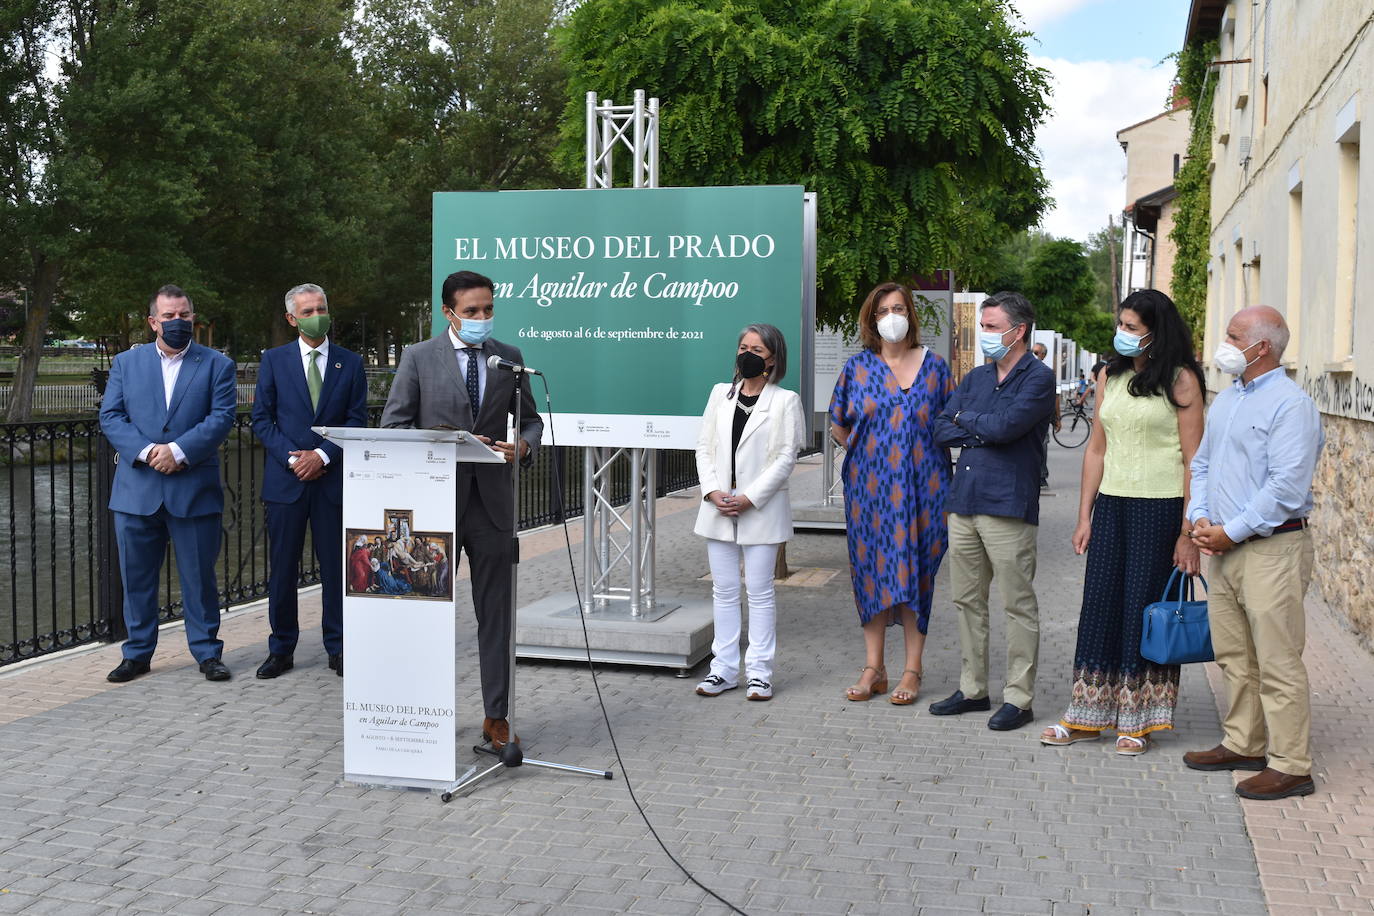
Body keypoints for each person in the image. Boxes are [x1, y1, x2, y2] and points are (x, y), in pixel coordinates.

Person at [381, 269, 542, 751]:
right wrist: (445, 443)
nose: (481, 319)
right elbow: (394, 426)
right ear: (449, 312)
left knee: (496, 615)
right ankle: (421, 712)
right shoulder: (418, 358)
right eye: (471, 311)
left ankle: (497, 718)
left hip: (493, 506)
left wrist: (523, 448)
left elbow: (530, 422)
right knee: (425, 612)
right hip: (433, 507)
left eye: (488, 309)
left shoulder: (509, 358)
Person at [1039, 290, 1204, 755]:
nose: (1123, 333)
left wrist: (1187, 532)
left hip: (1161, 507)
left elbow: (1195, 461)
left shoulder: (1181, 380)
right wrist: (1083, 515)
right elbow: (1096, 448)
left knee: (1142, 609)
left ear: (1157, 331)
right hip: (1111, 505)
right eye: (1122, 324)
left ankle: (1139, 719)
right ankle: (1086, 713)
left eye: (1132, 326)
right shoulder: (1108, 374)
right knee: (1100, 605)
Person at [1183, 306, 1324, 800]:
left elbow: (1287, 487)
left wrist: (1232, 531)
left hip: (1271, 548)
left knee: (1278, 657)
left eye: (1233, 335)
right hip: (1223, 544)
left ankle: (1291, 764)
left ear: (1261, 347)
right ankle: (1244, 741)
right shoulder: (1228, 400)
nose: (1225, 342)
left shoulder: (1291, 406)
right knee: (1235, 654)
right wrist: (1201, 517)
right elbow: (1200, 465)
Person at [928, 291, 1056, 730]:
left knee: (1017, 603)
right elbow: (940, 426)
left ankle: (1019, 699)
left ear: (1017, 331)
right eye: (982, 325)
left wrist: (968, 421)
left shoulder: (1039, 377)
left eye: (990, 326)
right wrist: (972, 421)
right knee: (966, 600)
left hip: (1008, 505)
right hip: (964, 501)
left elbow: (1006, 428)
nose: (983, 333)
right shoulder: (977, 378)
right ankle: (973, 689)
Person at [99, 285, 237, 683]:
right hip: (137, 490)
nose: (178, 322)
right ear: (153, 321)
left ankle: (208, 653)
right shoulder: (126, 363)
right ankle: (137, 654)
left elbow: (221, 417)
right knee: (137, 579)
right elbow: (111, 416)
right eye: (170, 316)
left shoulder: (216, 364)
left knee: (199, 578)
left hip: (192, 488)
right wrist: (146, 451)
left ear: (193, 317)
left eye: (185, 315)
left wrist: (177, 450)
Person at [829, 283, 954, 706]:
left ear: (911, 315)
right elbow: (839, 425)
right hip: (870, 494)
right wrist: (873, 457)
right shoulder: (856, 369)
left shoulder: (936, 368)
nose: (892, 315)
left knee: (917, 573)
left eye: (899, 307)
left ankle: (912, 670)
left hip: (926, 492)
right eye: (883, 309)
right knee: (871, 573)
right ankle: (874, 667)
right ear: (872, 319)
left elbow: (950, 424)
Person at [251, 284, 368, 680]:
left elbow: (356, 420)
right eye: (307, 310)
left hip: (332, 480)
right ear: (291, 318)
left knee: (337, 567)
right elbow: (262, 420)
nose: (316, 315)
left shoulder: (350, 363)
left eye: (321, 308)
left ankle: (338, 647)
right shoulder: (274, 360)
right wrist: (294, 459)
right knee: (283, 569)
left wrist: (321, 455)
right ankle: (281, 649)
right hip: (286, 483)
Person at [693, 323, 805, 701]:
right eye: (744, 347)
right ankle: (722, 670)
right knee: (723, 591)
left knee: (759, 592)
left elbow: (786, 458)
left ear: (773, 359)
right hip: (718, 507)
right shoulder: (718, 395)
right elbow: (704, 448)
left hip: (761, 509)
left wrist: (750, 497)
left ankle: (759, 673)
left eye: (757, 349)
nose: (748, 355)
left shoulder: (785, 400)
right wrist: (712, 491)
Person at [1030, 342, 1062, 489]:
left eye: (1037, 353)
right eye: (1033, 352)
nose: (1034, 355)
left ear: (1043, 355)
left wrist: (1057, 418)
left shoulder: (1047, 374)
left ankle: (1042, 476)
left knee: (1042, 445)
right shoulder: (1023, 370)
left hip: (1042, 417)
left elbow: (1055, 397)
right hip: (1025, 415)